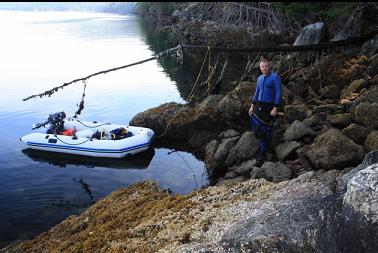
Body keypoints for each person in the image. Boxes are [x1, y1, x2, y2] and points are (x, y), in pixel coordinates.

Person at [248, 58, 282, 162]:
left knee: (263, 127)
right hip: (259, 105)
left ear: (270, 66)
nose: (264, 68)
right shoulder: (260, 78)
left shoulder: (275, 77)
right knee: (254, 121)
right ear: (260, 67)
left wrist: (275, 108)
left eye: (266, 66)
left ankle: (263, 151)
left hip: (270, 106)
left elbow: (279, 93)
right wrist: (252, 105)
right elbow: (257, 93)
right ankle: (267, 142)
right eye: (262, 67)